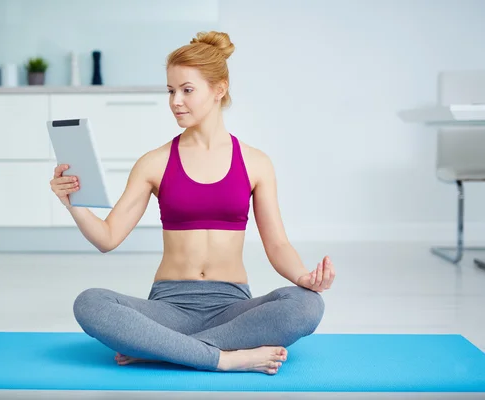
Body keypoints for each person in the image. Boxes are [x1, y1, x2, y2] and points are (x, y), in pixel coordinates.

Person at [49, 31, 335, 375]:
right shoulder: (153, 162)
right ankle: (224, 357)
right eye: (171, 91)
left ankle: (161, 349)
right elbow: (108, 238)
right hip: (169, 307)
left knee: (306, 305)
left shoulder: (256, 162)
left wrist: (305, 277)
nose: (175, 101)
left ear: (219, 89)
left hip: (232, 308)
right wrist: (73, 203)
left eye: (187, 90)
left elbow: (277, 244)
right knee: (90, 303)